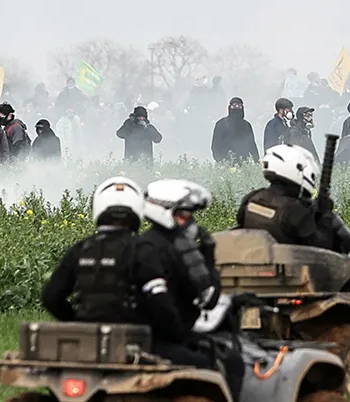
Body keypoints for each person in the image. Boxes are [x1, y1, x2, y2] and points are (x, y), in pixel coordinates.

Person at [235, 144, 350, 330]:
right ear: (297, 170)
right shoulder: (294, 210)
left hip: (253, 277)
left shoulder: (252, 199)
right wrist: (325, 218)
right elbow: (323, 246)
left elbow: (242, 228)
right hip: (297, 281)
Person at [42, 176, 204, 367]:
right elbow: (160, 302)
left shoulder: (81, 248)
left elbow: (51, 296)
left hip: (86, 343)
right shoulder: (142, 249)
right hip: (132, 343)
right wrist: (177, 335)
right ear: (136, 209)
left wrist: (76, 322)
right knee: (203, 361)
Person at [141, 179, 243, 400]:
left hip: (139, 337)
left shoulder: (139, 244)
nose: (190, 222)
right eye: (184, 215)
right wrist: (208, 257)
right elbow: (209, 298)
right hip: (166, 340)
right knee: (229, 363)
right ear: (163, 211)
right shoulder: (180, 251)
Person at [211, 97, 258, 163]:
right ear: (229, 107)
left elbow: (252, 145)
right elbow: (215, 145)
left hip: (243, 163)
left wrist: (256, 160)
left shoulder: (246, 125)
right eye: (234, 106)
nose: (237, 108)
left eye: (239, 106)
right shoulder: (221, 124)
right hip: (225, 163)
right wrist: (220, 161)